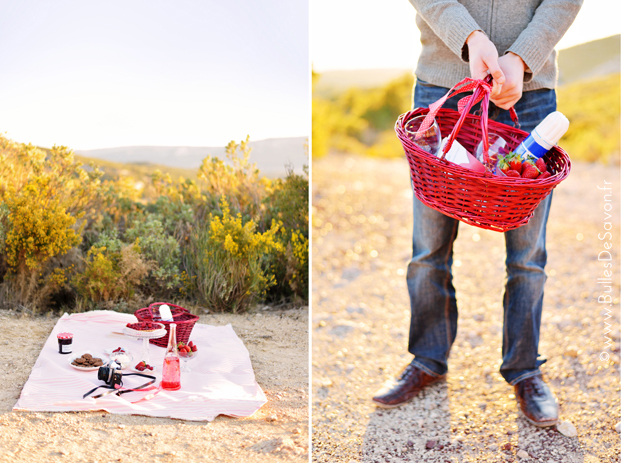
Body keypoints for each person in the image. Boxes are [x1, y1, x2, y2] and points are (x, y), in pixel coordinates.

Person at [371, 0, 583, 427]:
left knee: (528, 256)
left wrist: (521, 58)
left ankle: (525, 369)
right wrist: (471, 39)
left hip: (533, 91)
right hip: (444, 85)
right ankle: (427, 359)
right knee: (428, 247)